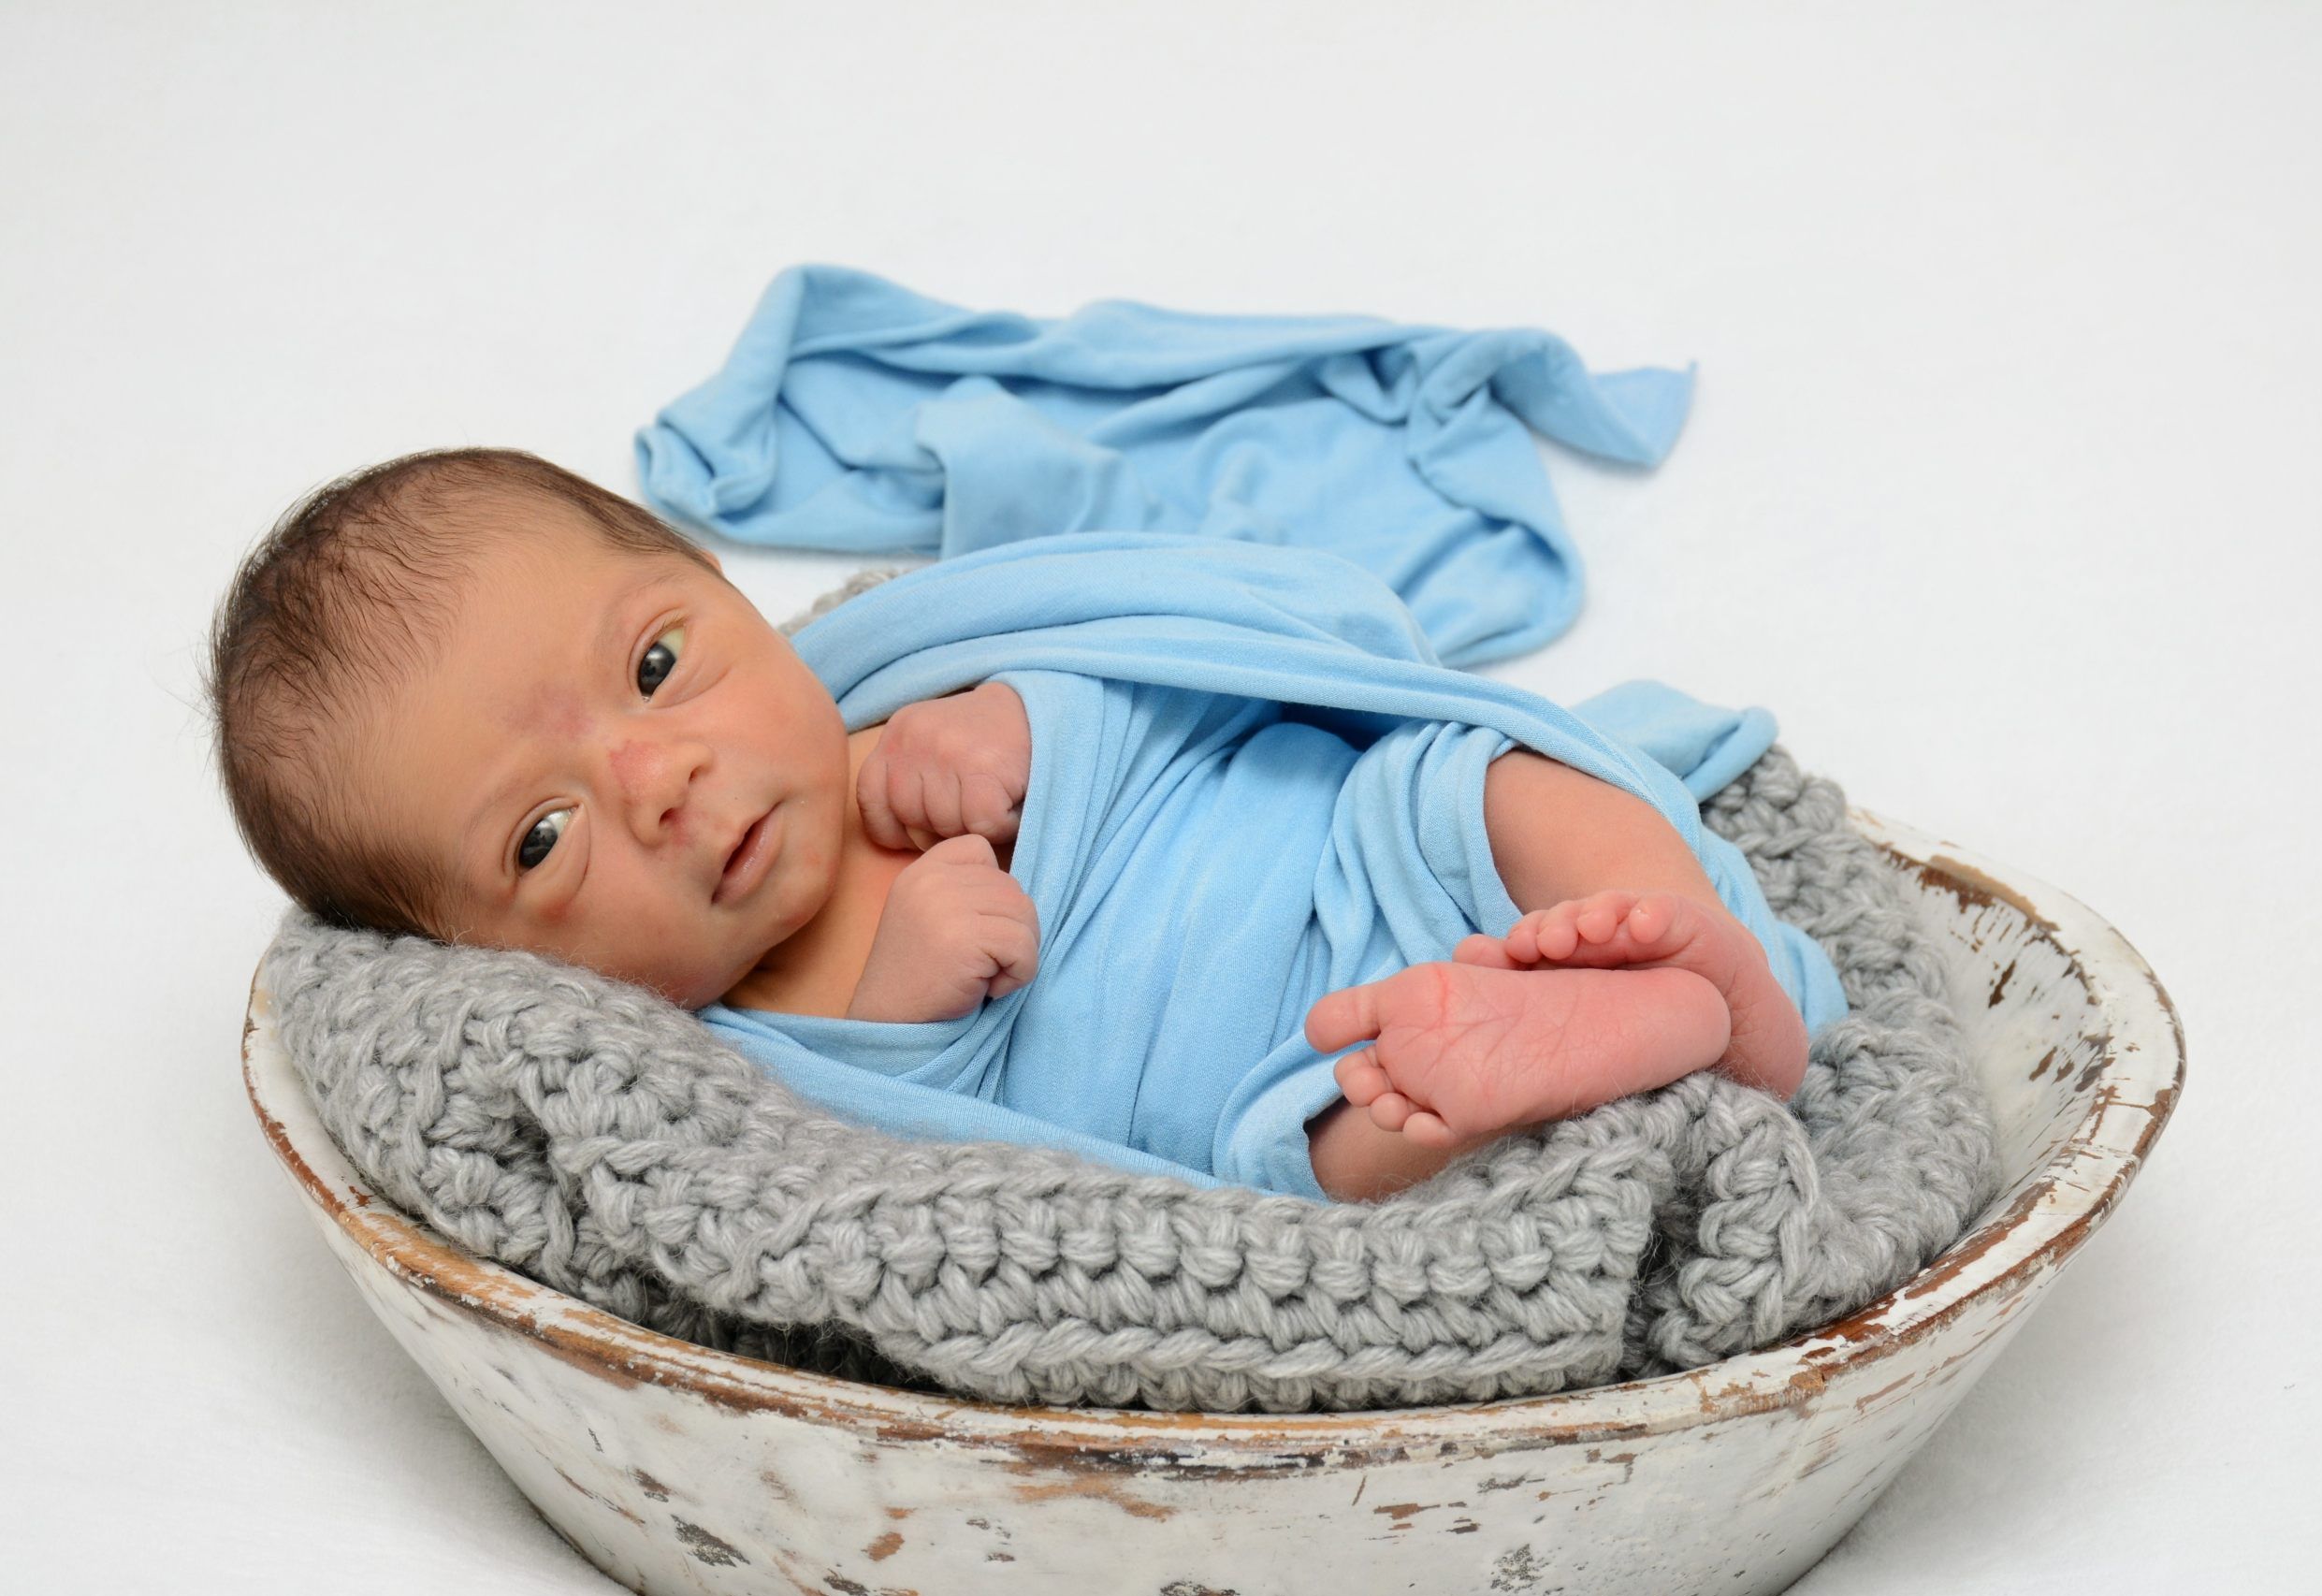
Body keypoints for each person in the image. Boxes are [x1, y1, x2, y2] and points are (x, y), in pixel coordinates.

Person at [210, 448, 1820, 1204]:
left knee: (1482, 782)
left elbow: (1186, 671)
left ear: (726, 595)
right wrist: (908, 1014)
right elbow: (907, 1187)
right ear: (484, 957)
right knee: (1338, 1155)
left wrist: (1025, 722)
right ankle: (1605, 1042)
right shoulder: (742, 1054)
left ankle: (1698, 971)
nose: (659, 782)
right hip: (1304, 1064)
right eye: (541, 841)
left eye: (653, 667)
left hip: (1358, 860)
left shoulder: (919, 689)